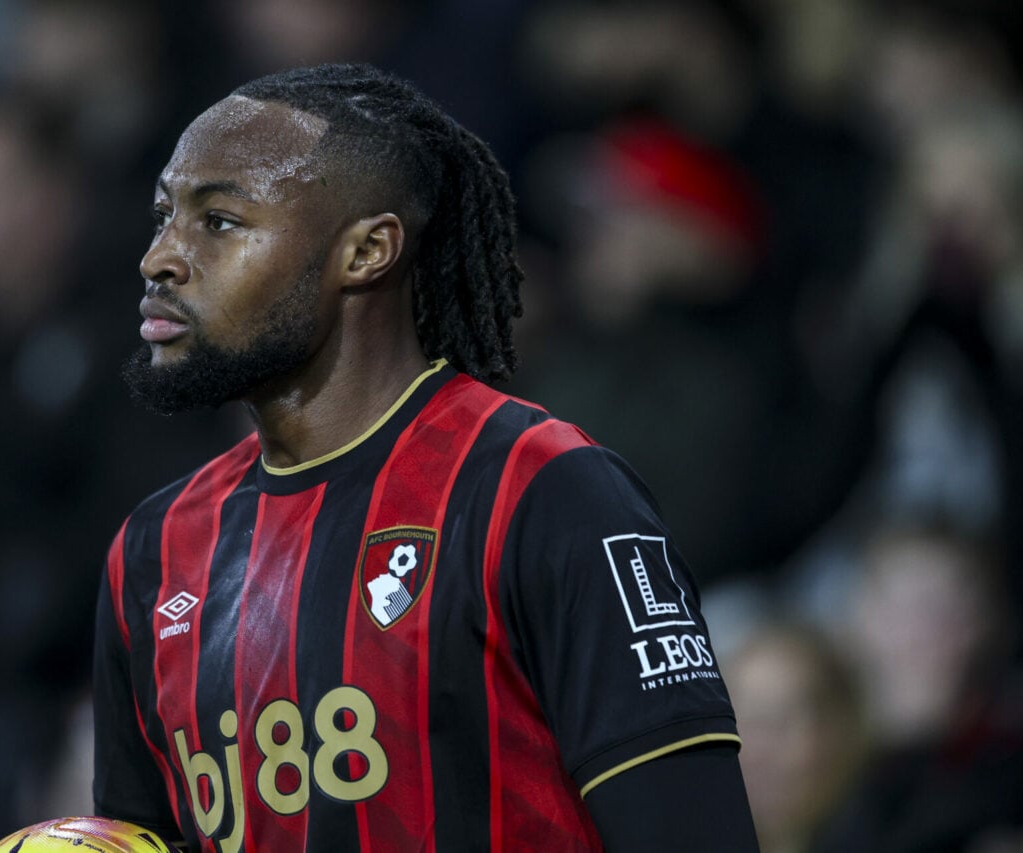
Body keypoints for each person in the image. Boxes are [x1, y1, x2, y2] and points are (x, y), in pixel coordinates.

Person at [92, 63, 758, 851]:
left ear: (368, 251)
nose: (160, 258)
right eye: (165, 215)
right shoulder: (153, 551)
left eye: (220, 221)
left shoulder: (542, 490)